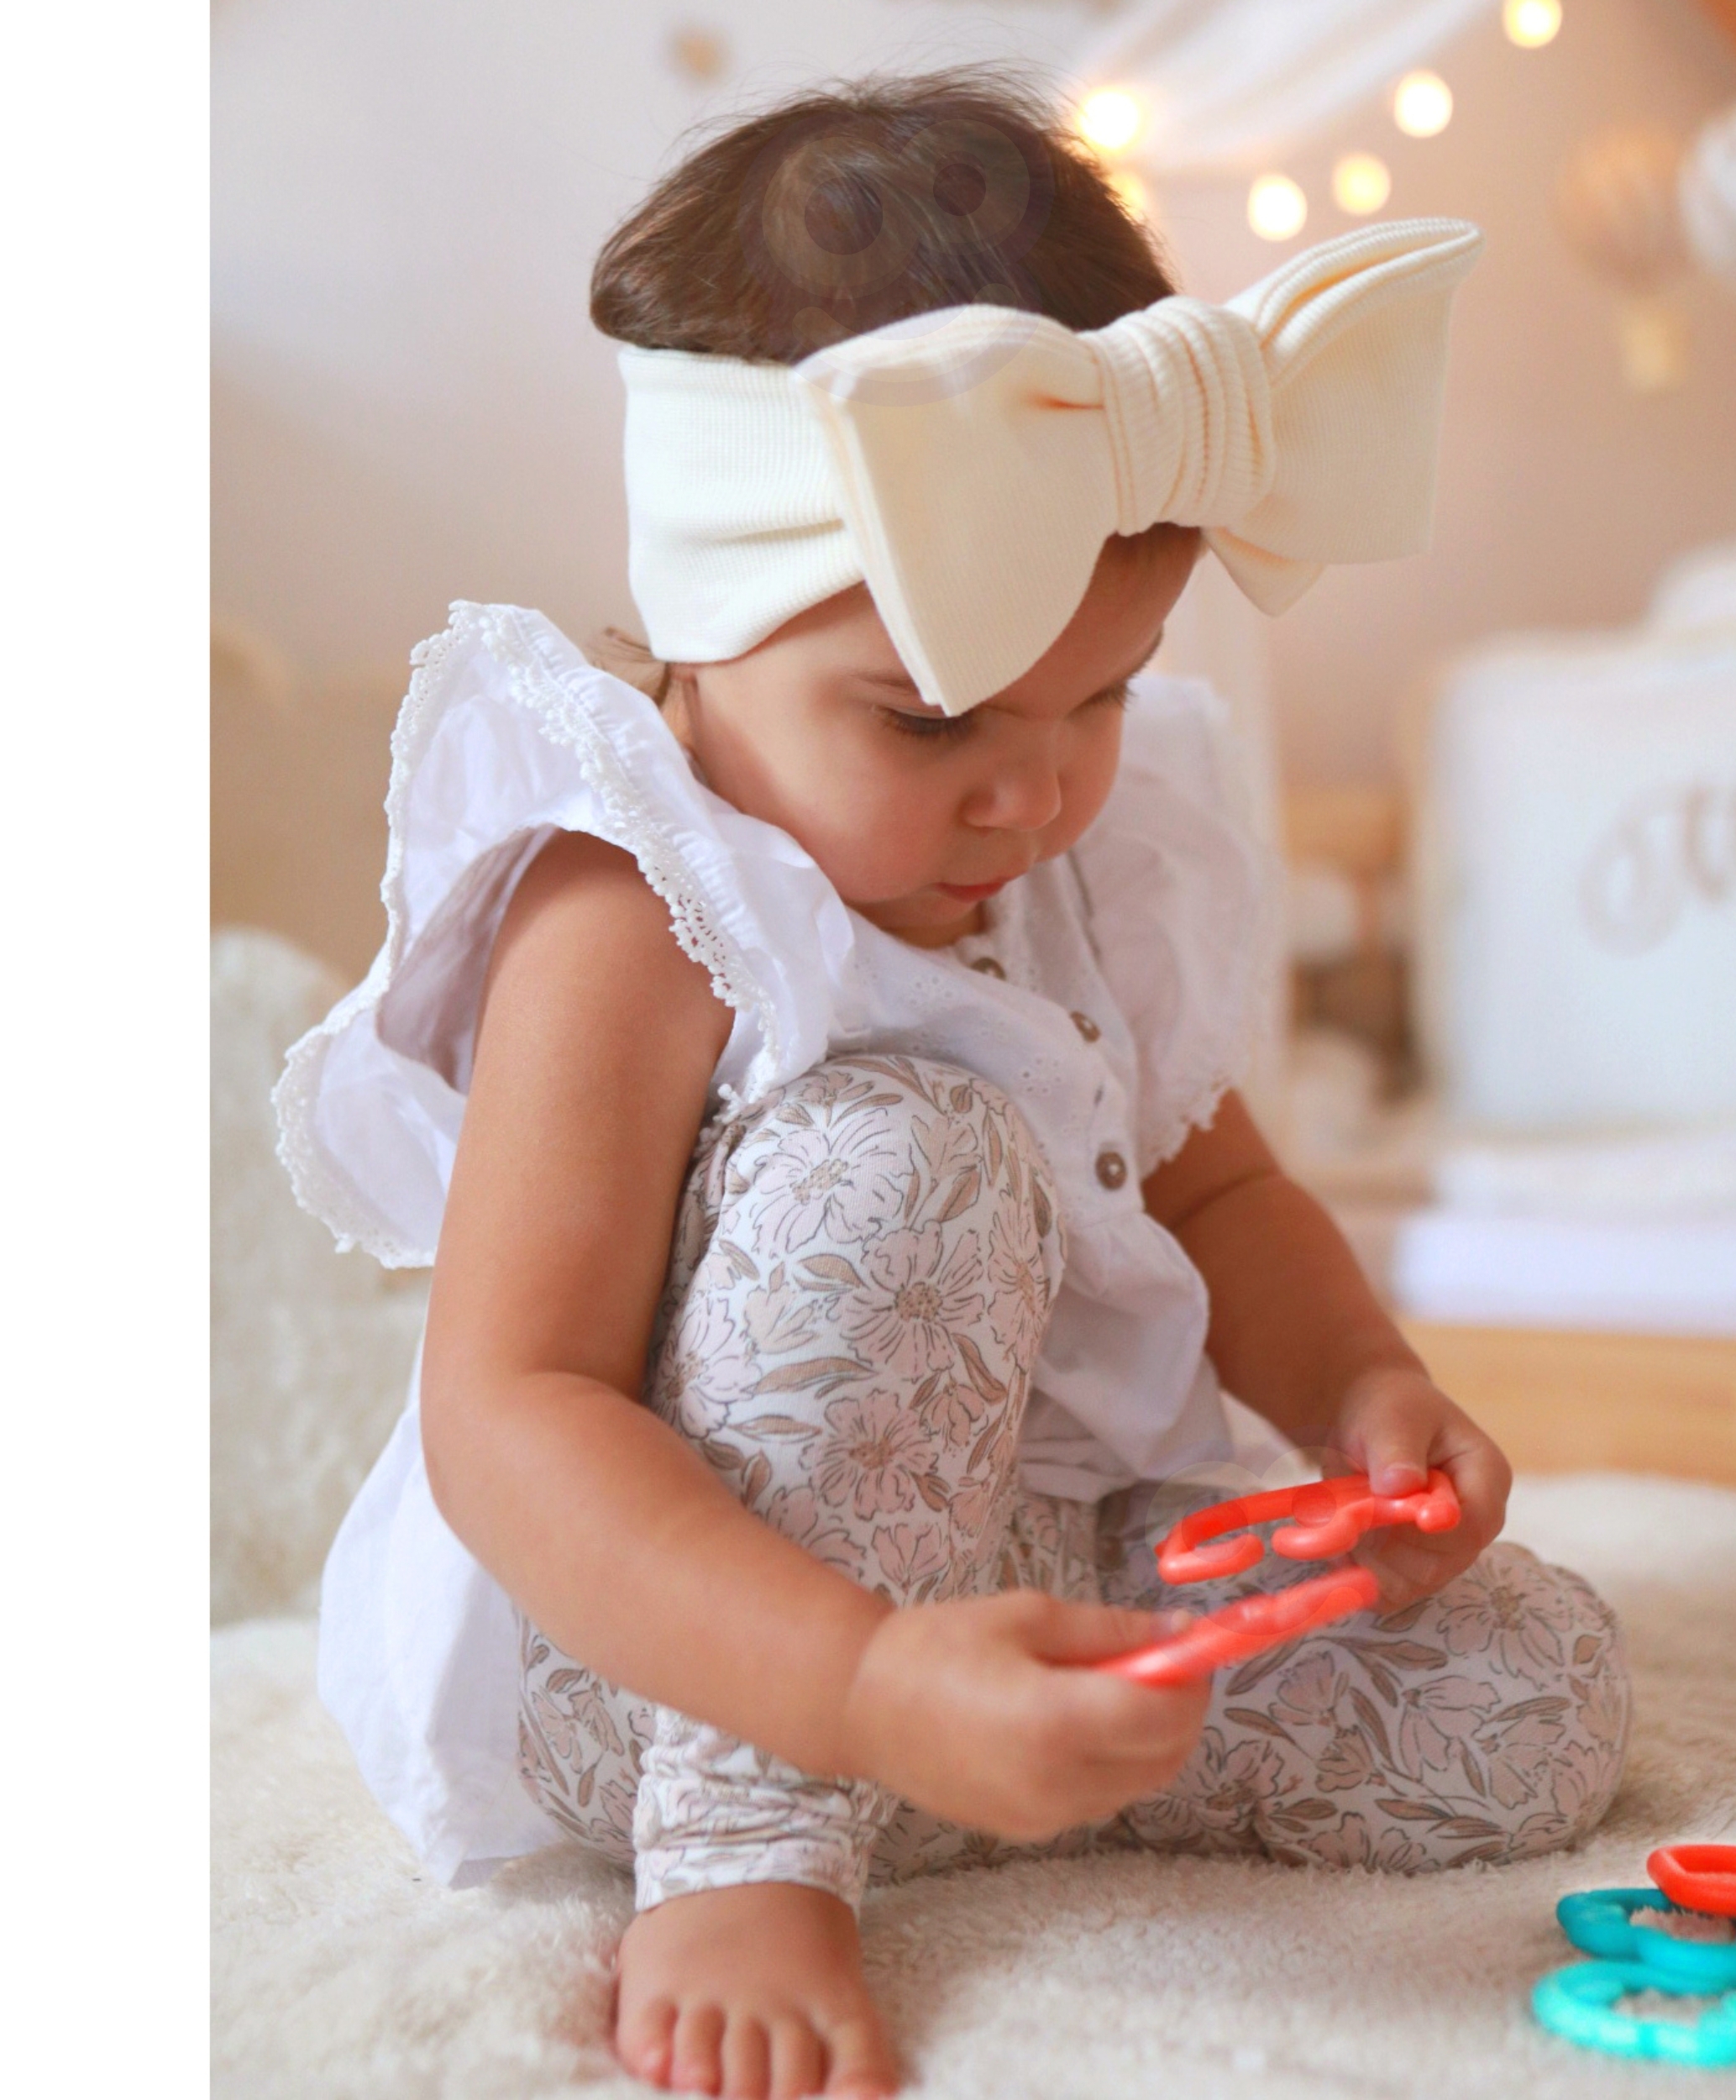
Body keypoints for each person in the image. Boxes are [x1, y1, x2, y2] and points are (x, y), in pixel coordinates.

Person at [278, 66, 1631, 2100]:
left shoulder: (1074, 855)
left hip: (1018, 1567)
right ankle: (755, 1840)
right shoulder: (634, 900)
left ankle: (1003, 1750)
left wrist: (1360, 1394)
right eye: (929, 723)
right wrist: (846, 1679)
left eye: (1099, 696)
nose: (1031, 790)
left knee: (1533, 1689)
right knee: (909, 1154)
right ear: (709, 628)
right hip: (658, 1638)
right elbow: (511, 1413)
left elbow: (1220, 1191)